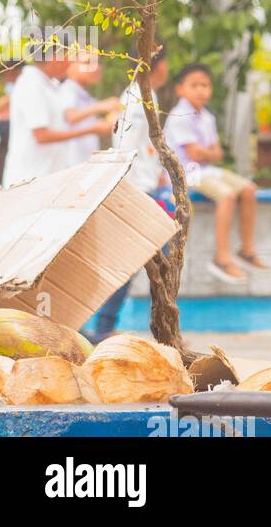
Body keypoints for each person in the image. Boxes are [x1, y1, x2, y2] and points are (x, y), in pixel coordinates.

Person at [88, 46, 171, 341]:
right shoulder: (137, 100)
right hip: (139, 192)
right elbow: (124, 147)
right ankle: (110, 327)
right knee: (154, 264)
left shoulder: (144, 96)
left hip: (147, 189)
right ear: (156, 65)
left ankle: (107, 327)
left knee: (150, 264)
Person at [164, 63, 266, 283]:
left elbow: (217, 153)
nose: (201, 90)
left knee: (249, 189)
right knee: (227, 195)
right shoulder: (179, 114)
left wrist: (206, 152)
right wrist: (207, 152)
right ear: (180, 89)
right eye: (194, 85)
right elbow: (195, 153)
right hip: (186, 173)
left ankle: (246, 250)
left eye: (205, 85)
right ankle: (221, 258)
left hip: (206, 170)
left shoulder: (207, 117)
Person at [2, 40, 114, 188]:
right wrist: (92, 129)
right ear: (54, 56)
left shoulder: (51, 86)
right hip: (27, 182)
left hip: (46, 179)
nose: (70, 63)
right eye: (68, 56)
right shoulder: (31, 84)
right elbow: (41, 135)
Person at [59, 47, 121, 167]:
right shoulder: (68, 89)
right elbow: (70, 117)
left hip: (84, 164)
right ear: (70, 65)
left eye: (97, 63)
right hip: (72, 166)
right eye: (88, 63)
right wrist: (100, 106)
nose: (96, 68)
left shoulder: (84, 94)